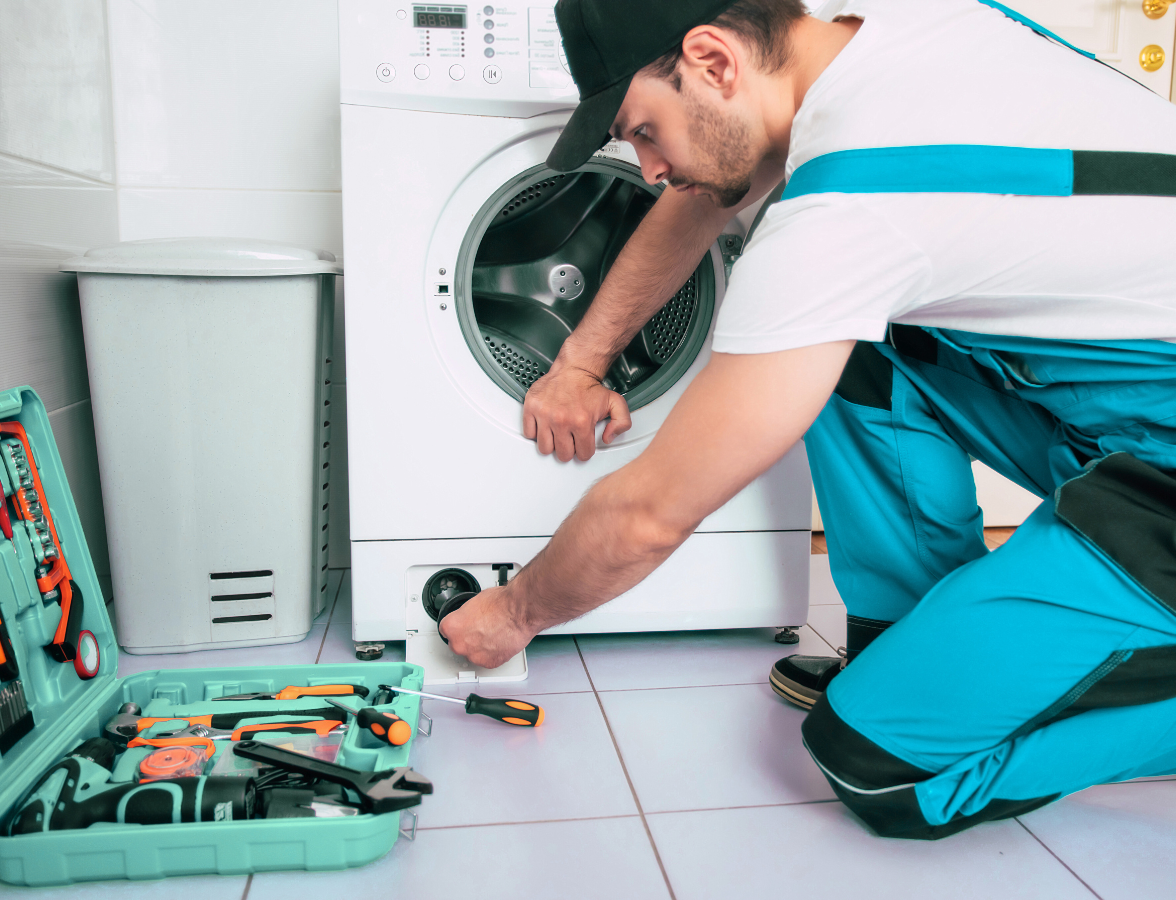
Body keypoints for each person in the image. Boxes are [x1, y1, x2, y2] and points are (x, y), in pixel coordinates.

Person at [440, 0, 1176, 839]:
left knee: (879, 762)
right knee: (861, 342)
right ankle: (904, 637)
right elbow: (711, 187)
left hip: (1161, 475)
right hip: (1127, 416)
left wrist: (515, 612)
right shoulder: (889, 35)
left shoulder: (856, 202)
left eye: (642, 131)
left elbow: (650, 515)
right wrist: (579, 364)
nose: (644, 169)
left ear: (714, 61)